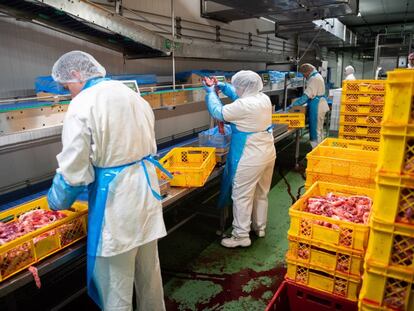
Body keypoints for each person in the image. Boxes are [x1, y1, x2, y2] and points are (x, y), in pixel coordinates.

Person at [47, 51, 170, 311]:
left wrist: (56, 202)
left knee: (116, 291)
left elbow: (73, 171)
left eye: (67, 85)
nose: (68, 91)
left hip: (117, 206)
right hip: (146, 195)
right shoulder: (130, 94)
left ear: (78, 74)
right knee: (150, 279)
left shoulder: (82, 104)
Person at [203, 70, 276, 248]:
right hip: (267, 151)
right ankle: (259, 227)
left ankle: (241, 236)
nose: (235, 88)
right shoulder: (262, 98)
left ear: (243, 86)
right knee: (261, 192)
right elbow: (239, 95)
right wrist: (223, 87)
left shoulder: (243, 106)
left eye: (236, 85)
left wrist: (210, 92)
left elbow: (218, 112)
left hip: (251, 156)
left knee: (242, 195)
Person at [288, 64, 330, 149]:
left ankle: (316, 149)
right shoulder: (317, 75)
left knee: (315, 129)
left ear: (308, 72)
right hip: (321, 104)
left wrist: (293, 105)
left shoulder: (313, 78)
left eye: (304, 74)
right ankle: (320, 147)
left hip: (317, 106)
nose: (304, 76)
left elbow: (307, 95)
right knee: (319, 128)